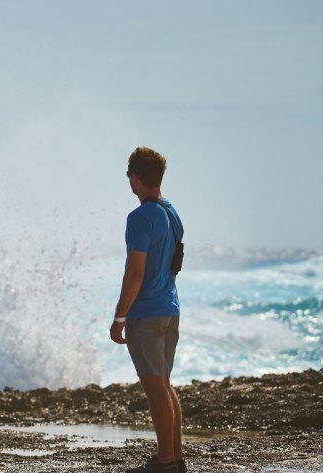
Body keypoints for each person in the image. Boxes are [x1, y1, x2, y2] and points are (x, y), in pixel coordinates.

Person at [110, 146, 186, 473]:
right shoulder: (172, 213)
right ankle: (175, 457)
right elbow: (173, 266)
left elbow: (135, 272)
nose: (129, 180)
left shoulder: (139, 217)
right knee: (165, 385)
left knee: (157, 389)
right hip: (170, 308)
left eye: (129, 175)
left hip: (148, 314)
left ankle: (166, 461)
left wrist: (119, 317)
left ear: (136, 178)